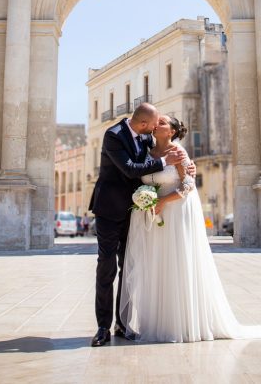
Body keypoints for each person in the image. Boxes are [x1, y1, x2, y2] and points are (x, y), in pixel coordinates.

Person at [119, 114, 261, 343]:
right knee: (158, 265)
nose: (156, 125)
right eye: (157, 121)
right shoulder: (146, 149)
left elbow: (188, 183)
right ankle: (158, 321)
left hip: (175, 211)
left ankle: (181, 323)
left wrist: (164, 201)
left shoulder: (180, 152)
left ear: (171, 131)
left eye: (162, 123)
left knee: (178, 262)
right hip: (155, 217)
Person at [88, 102, 190, 347]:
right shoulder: (113, 135)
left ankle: (122, 324)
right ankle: (103, 327)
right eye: (154, 125)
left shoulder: (146, 138)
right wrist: (165, 163)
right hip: (109, 209)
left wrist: (187, 168)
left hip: (135, 212)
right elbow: (131, 169)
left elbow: (166, 154)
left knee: (130, 268)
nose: (155, 129)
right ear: (143, 124)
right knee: (106, 266)